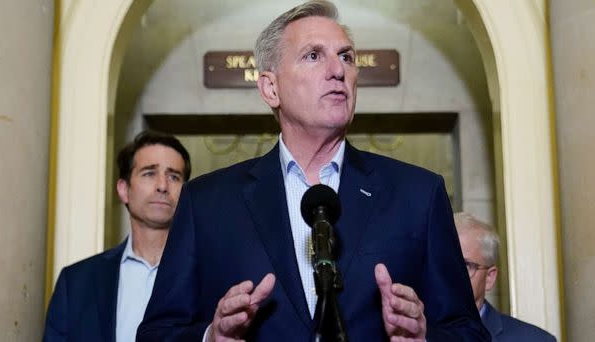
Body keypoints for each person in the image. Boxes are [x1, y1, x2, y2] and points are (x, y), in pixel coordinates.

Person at [138, 1, 489, 341]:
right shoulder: (206, 203)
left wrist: (425, 337)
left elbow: (468, 332)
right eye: (313, 55)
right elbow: (156, 334)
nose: (338, 70)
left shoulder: (419, 195)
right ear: (270, 87)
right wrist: (210, 337)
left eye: (346, 57)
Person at [43, 131, 191, 342]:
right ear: (123, 189)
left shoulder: (206, 275)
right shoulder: (76, 282)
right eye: (149, 173)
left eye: (174, 176)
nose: (162, 185)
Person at [454, 212, 556, 341]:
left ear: (489, 278)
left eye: (466, 266)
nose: (449, 275)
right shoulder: (422, 333)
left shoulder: (536, 340)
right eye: (441, 263)